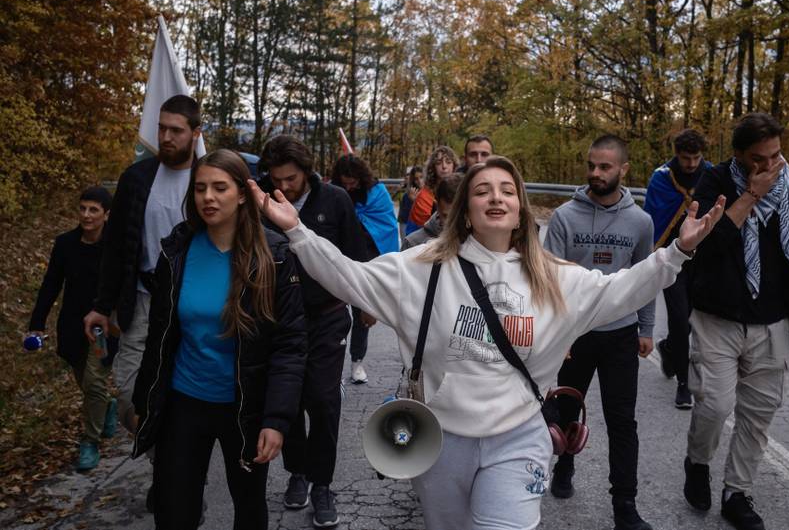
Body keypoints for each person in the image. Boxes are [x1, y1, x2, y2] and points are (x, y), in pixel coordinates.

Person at [250, 155, 725, 530]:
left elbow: (623, 288)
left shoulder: (556, 279)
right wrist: (296, 230)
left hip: (518, 439)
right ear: (466, 211)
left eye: (506, 191)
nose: (495, 198)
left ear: (520, 208)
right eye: (482, 191)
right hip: (437, 442)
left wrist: (677, 252)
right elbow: (347, 277)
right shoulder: (421, 268)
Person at [132, 149, 307, 530]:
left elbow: (290, 345)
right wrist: (143, 398)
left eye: (219, 188)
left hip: (245, 407)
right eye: (200, 189)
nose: (208, 197)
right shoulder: (176, 251)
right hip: (184, 401)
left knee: (248, 507)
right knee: (173, 509)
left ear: (243, 193)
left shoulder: (274, 255)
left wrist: (276, 420)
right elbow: (160, 335)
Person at [682, 113, 789, 530]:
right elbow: (704, 248)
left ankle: (736, 492)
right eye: (758, 159)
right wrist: (748, 197)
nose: (770, 166)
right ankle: (697, 461)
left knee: (759, 412)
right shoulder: (715, 182)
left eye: (776, 155)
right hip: (717, 317)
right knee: (714, 404)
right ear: (739, 156)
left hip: (771, 321)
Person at [543, 136, 655, 530]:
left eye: (605, 167)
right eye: (591, 165)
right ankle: (564, 462)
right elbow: (551, 280)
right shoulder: (564, 218)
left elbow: (646, 279)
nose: (595, 173)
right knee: (567, 410)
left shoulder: (640, 222)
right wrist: (559, 334)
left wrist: (647, 327)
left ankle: (624, 505)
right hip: (576, 334)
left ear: (623, 170)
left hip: (621, 336)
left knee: (622, 420)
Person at [259, 136, 370, 527]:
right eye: (277, 179)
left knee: (322, 399)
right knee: (288, 397)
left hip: (327, 315)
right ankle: (298, 472)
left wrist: (367, 304)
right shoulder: (264, 204)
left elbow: (360, 255)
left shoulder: (335, 200)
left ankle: (322, 483)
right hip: (279, 318)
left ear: (306, 172)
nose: (283, 187)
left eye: (290, 179)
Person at [83, 94, 202, 436]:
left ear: (195, 133)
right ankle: (160, 452)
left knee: (185, 390)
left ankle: (168, 472)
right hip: (143, 301)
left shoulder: (207, 180)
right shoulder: (136, 179)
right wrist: (102, 306)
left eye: (176, 130)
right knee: (130, 396)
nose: (165, 137)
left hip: (192, 299)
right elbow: (117, 247)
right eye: (161, 128)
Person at [28, 186, 118, 471]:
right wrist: (36, 324)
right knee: (87, 382)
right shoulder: (65, 244)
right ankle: (107, 405)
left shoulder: (116, 246)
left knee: (93, 380)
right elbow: (51, 284)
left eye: (94, 210)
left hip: (103, 326)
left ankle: (89, 442)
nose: (87, 215)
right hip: (71, 324)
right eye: (83, 208)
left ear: (107, 214)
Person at [643, 128, 710, 409]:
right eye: (686, 158)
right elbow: (653, 219)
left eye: (696, 158)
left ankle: (670, 347)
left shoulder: (711, 175)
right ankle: (684, 384)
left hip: (704, 259)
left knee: (694, 321)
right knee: (679, 319)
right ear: (676, 155)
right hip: (673, 259)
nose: (691, 164)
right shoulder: (661, 178)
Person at [330, 154, 399, 386]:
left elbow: (386, 224)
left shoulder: (377, 193)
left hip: (366, 259)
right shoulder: (332, 195)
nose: (349, 187)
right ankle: (332, 366)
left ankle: (357, 362)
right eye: (345, 183)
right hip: (337, 259)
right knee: (334, 314)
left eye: (353, 183)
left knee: (363, 314)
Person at [401, 173, 462, 250]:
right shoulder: (413, 244)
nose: (452, 223)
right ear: (437, 206)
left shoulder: (477, 241)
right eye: (446, 216)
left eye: (460, 216)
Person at [406, 145, 458, 234]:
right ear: (433, 167)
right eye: (438, 163)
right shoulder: (424, 196)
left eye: (448, 162)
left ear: (454, 166)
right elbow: (418, 232)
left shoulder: (462, 191)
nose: (444, 166)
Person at [398, 166, 423, 242]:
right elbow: (405, 219)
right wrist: (414, 201)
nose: (419, 181)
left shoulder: (431, 191)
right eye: (416, 179)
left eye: (421, 177)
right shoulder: (408, 195)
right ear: (412, 180)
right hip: (407, 225)